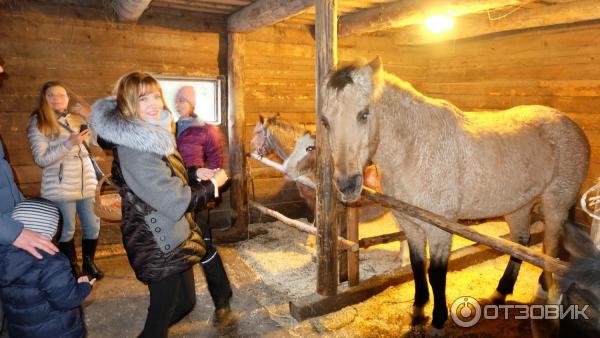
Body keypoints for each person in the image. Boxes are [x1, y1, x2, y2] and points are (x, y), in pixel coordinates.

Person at [91, 72, 232, 338]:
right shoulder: (134, 147)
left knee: (186, 303)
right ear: (129, 103)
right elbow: (174, 201)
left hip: (174, 234)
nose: (154, 103)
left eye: (156, 95)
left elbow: (163, 174)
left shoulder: (151, 133)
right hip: (157, 241)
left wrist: (193, 174)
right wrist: (213, 186)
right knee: (160, 316)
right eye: (143, 98)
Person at [27, 81, 103, 280]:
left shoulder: (77, 119)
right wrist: (69, 143)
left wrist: (90, 118)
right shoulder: (38, 122)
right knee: (66, 229)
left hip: (87, 182)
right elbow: (41, 159)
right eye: (51, 95)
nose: (57, 99)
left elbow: (97, 142)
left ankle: (89, 263)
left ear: (68, 99)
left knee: (93, 226)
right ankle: (71, 266)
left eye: (61, 95)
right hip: (59, 186)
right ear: (44, 99)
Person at [174, 86, 234, 319]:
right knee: (176, 246)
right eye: (177, 99)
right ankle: (179, 298)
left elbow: (217, 164)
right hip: (170, 193)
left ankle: (222, 299)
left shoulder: (205, 130)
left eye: (184, 100)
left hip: (195, 193)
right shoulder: (165, 128)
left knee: (204, 247)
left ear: (193, 103)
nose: (180, 103)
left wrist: (211, 194)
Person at [0, 197, 95, 338]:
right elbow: (66, 300)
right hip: (57, 331)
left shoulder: (4, 258)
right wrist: (84, 287)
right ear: (50, 232)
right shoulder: (53, 262)